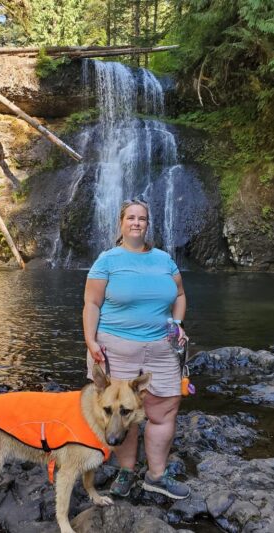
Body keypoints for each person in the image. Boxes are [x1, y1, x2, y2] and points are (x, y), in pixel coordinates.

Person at [83, 199, 190, 500]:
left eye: (142, 218)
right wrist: (90, 340)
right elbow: (91, 303)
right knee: (121, 411)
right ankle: (126, 472)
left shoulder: (165, 260)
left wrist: (177, 323)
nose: (136, 223)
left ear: (147, 224)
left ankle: (156, 475)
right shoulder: (107, 260)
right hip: (116, 347)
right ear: (121, 223)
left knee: (164, 409)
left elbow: (180, 294)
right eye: (130, 217)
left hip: (162, 346)